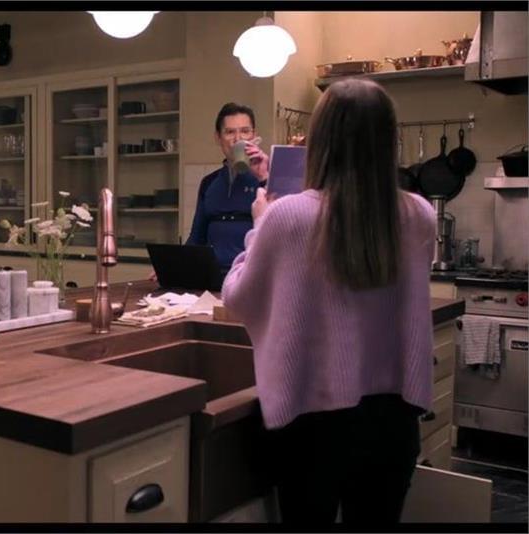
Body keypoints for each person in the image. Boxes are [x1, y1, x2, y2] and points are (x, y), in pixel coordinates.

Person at [221, 79, 436, 524]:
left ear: (319, 141)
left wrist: (259, 226)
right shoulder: (420, 214)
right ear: (388, 141)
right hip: (394, 421)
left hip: (312, 424)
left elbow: (239, 297)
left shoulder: (287, 216)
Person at [185, 102, 271, 270]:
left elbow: (283, 232)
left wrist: (263, 177)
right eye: (230, 132)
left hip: (251, 275)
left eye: (245, 131)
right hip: (212, 275)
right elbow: (196, 237)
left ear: (254, 135)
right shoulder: (209, 183)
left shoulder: (269, 178)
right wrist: (175, 263)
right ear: (218, 137)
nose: (238, 139)